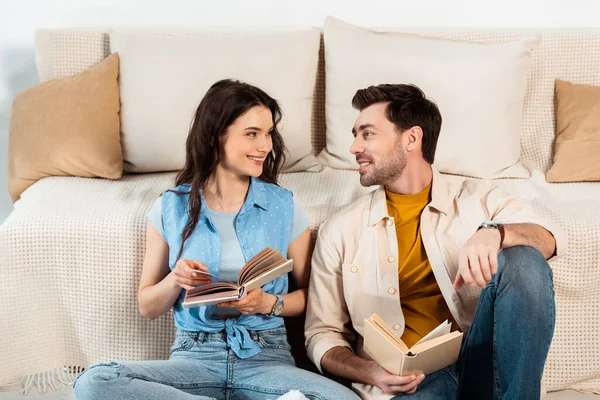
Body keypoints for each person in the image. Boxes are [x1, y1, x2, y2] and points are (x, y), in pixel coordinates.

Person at [73, 79, 360, 400]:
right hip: (195, 357)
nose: (265, 145)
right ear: (215, 137)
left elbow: (316, 298)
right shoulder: (171, 206)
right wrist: (176, 280)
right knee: (96, 382)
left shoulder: (283, 205)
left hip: (266, 358)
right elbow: (147, 307)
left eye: (268, 133)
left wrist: (269, 302)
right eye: (252, 133)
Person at [304, 83, 566, 400]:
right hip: (410, 384)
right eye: (356, 135)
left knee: (522, 257)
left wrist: (495, 232)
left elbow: (548, 239)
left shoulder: (481, 199)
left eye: (367, 134)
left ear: (412, 138)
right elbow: (322, 334)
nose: (354, 147)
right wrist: (370, 372)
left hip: (482, 366)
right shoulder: (341, 230)